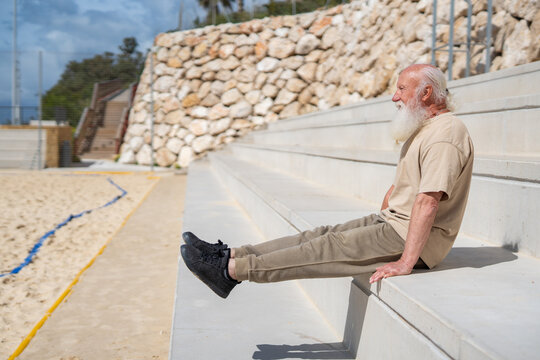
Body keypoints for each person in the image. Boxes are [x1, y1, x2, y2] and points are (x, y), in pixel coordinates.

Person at [180, 64, 474, 299]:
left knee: (323, 249)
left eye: (401, 89)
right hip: (394, 223)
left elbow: (428, 201)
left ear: (425, 93)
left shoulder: (446, 134)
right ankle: (228, 254)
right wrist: (378, 220)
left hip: (412, 238)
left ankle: (230, 271)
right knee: (318, 235)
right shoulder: (426, 128)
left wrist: (406, 261)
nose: (395, 97)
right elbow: (401, 188)